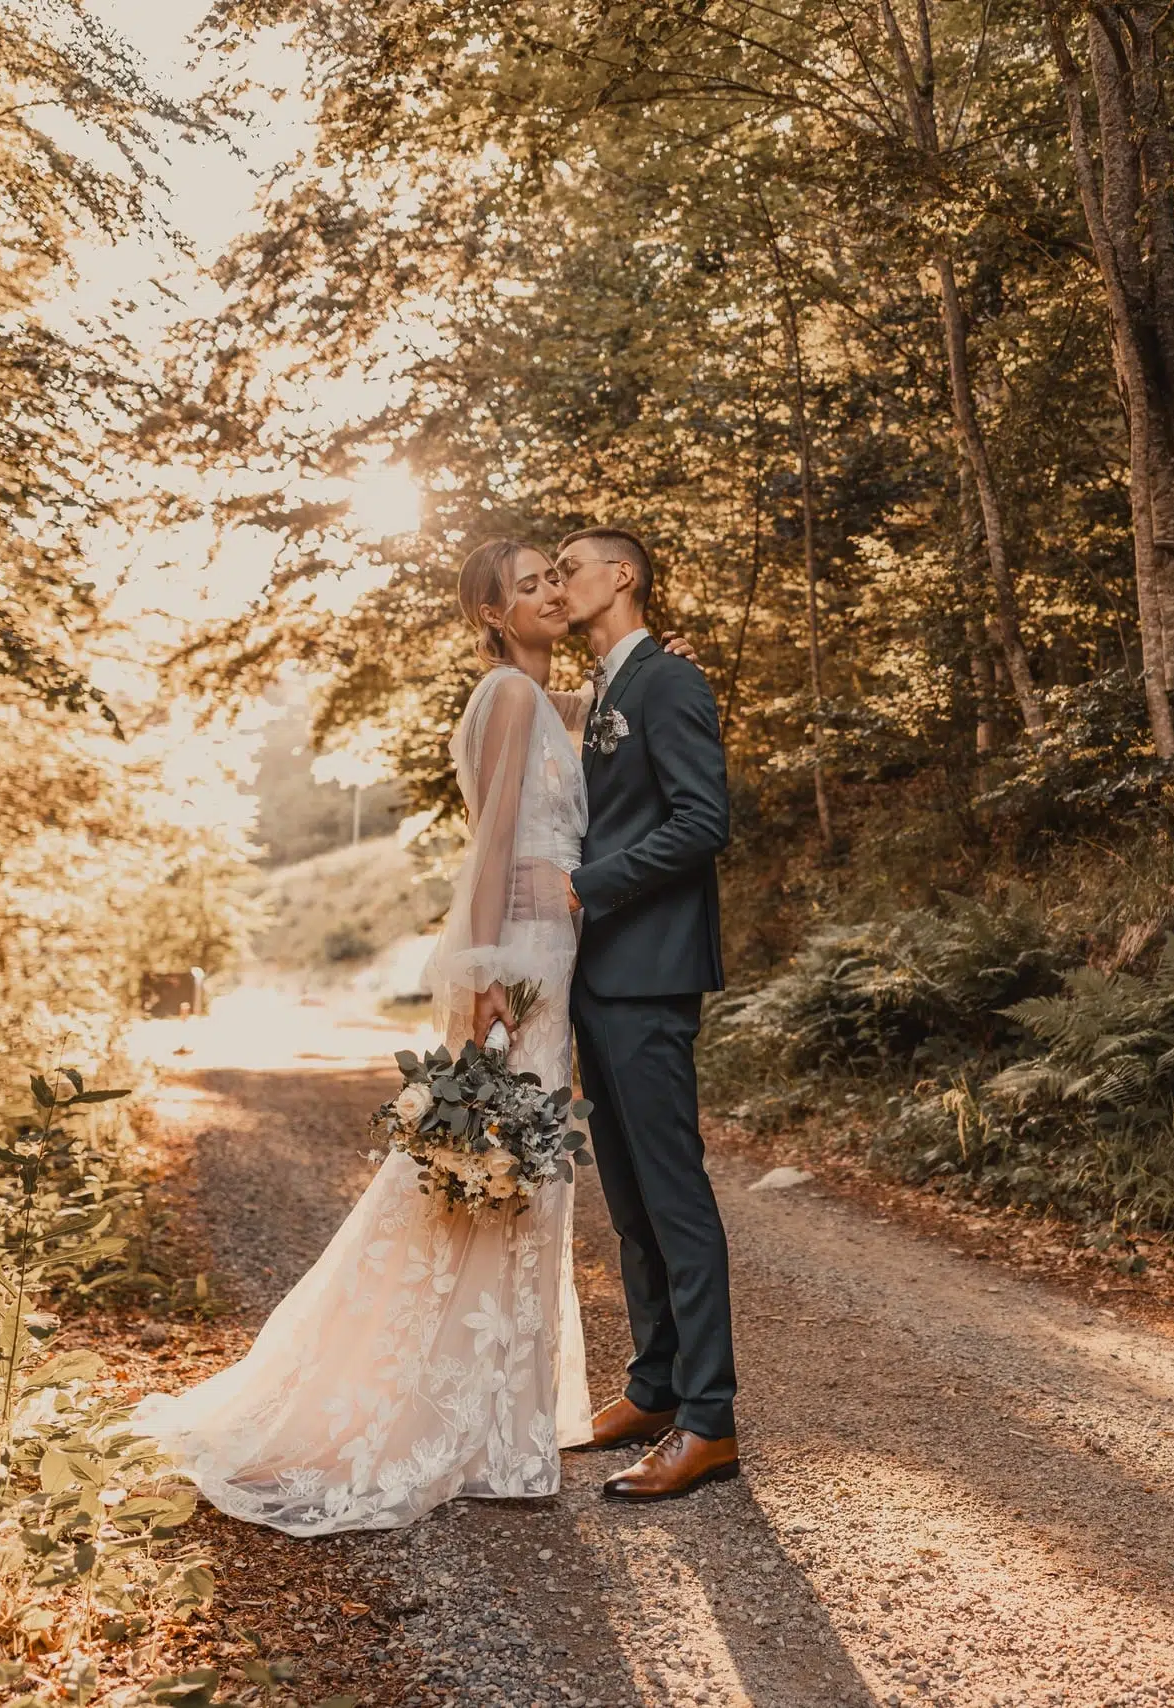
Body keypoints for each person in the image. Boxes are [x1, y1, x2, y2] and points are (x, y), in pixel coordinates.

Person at [133, 538, 608, 1534]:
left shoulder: (524, 697)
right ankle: (471, 1430)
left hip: (544, 947)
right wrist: (478, 978)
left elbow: (587, 728)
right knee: (502, 1170)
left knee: (505, 1175)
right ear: (490, 613)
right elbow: (492, 844)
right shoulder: (512, 699)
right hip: (523, 956)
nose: (549, 593)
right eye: (526, 587)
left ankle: (487, 1424)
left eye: (552, 577)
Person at [550, 525, 740, 1501]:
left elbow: (703, 820)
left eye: (570, 565)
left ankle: (709, 1419)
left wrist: (590, 885)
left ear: (620, 576)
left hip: (650, 973)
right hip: (599, 977)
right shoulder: (600, 695)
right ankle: (656, 1385)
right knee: (627, 1201)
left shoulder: (667, 680)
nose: (557, 579)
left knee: (672, 1197)